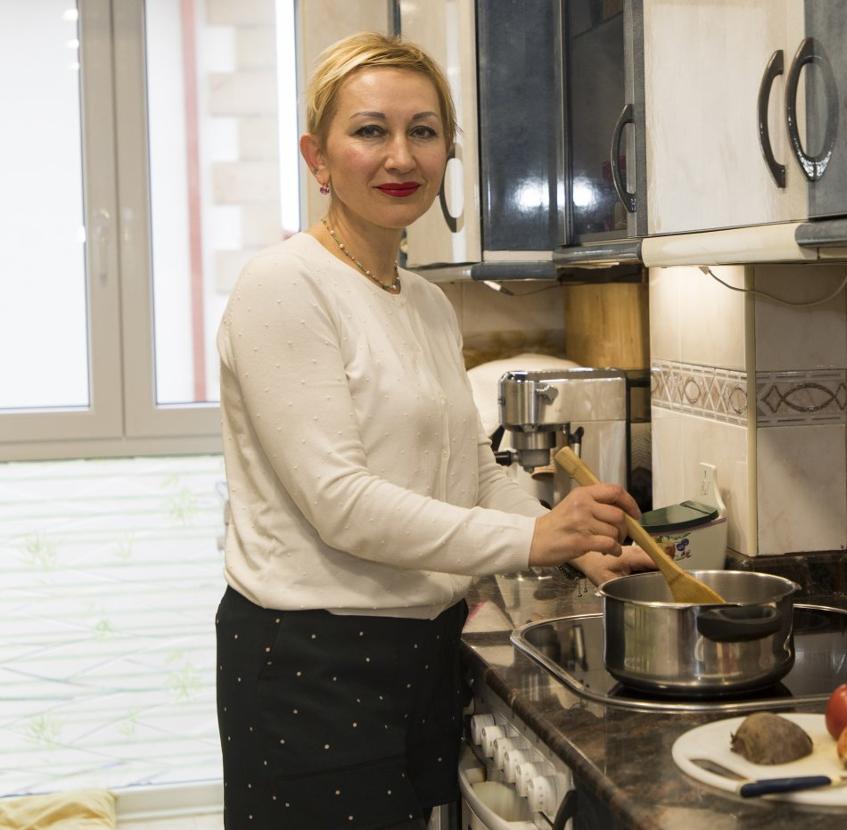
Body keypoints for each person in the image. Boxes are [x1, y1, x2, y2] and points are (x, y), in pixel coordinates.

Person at [214, 32, 651, 829]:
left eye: (423, 131)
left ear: (449, 151)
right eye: (370, 130)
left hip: (420, 653)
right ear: (318, 156)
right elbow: (340, 504)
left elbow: (474, 471)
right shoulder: (283, 286)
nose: (400, 157)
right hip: (312, 664)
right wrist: (532, 543)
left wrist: (572, 536)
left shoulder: (424, 302)